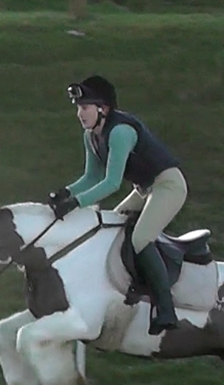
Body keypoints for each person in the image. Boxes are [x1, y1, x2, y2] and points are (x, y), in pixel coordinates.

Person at [48, 75, 188, 335]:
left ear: (103, 108)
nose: (80, 114)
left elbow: (112, 183)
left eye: (85, 107)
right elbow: (92, 177)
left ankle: (166, 309)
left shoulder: (120, 132)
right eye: (78, 108)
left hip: (168, 186)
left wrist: (76, 203)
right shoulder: (91, 135)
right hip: (144, 190)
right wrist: (65, 192)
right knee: (109, 228)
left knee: (140, 238)